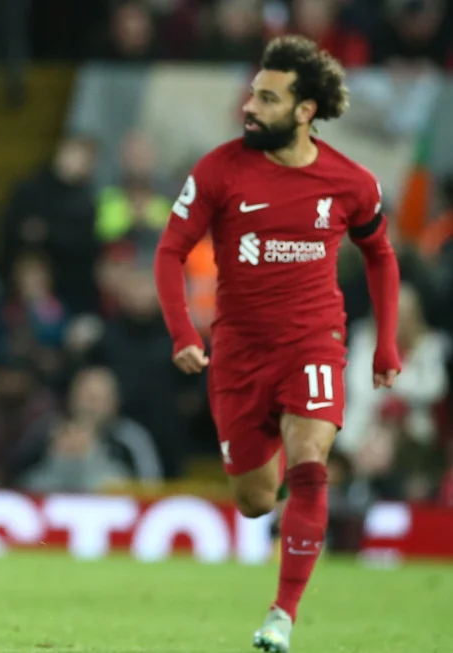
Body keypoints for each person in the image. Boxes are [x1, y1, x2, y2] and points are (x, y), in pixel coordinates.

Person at [153, 35, 400, 653]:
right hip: (239, 352)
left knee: (311, 462)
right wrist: (183, 331)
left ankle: (281, 616)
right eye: (253, 94)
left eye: (267, 98)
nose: (250, 106)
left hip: (314, 342)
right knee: (255, 501)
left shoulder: (351, 182)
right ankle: (288, 484)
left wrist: (386, 344)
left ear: (305, 109)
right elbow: (170, 250)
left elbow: (381, 256)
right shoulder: (220, 170)